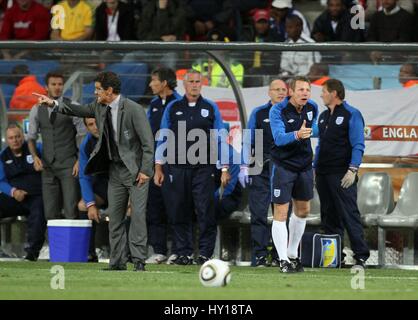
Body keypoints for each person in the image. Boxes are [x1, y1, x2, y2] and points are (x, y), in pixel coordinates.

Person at [34, 71, 155, 272]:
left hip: (135, 172)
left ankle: (139, 260)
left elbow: (148, 143)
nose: (95, 92)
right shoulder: (98, 106)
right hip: (115, 171)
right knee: (115, 218)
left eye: (98, 89)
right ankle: (117, 262)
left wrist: (145, 170)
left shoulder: (134, 109)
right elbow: (77, 109)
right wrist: (53, 104)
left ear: (109, 90)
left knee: (138, 216)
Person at [154, 69, 230, 265]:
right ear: (184, 85)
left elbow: (221, 138)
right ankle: (184, 253)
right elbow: (163, 138)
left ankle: (205, 253)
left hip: (204, 168)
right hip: (177, 167)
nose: (195, 85)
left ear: (202, 84)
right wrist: (158, 167)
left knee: (205, 210)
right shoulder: (173, 107)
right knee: (179, 210)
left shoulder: (211, 108)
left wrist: (224, 168)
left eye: (198, 81)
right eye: (191, 82)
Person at [315, 78, 370, 267]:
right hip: (323, 174)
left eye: (323, 91)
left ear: (334, 93)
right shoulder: (322, 116)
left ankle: (361, 255)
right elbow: (321, 145)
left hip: (341, 173)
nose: (321, 94)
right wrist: (315, 168)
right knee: (328, 215)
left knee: (349, 213)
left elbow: (358, 144)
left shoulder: (351, 114)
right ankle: (334, 257)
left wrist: (353, 170)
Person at [269, 76, 318, 273]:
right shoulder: (277, 110)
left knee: (304, 210)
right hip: (284, 166)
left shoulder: (313, 107)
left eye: (307, 89)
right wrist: (297, 134)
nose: (305, 93)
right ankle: (282, 260)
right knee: (280, 213)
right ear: (291, 91)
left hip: (305, 166)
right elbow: (279, 139)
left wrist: (309, 132)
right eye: (300, 90)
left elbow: (314, 129)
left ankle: (292, 254)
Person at [240, 79, 288, 267]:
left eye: (284, 89)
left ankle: (279, 256)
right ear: (269, 92)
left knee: (283, 214)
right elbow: (248, 140)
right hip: (260, 168)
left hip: (284, 170)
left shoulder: (292, 112)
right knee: (258, 214)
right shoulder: (259, 113)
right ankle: (259, 256)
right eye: (277, 90)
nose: (281, 92)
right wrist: (244, 166)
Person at [28, 72, 85, 221]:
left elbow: (83, 136)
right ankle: (54, 245)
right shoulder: (36, 109)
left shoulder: (73, 106)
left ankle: (71, 245)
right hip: (47, 166)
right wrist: (35, 157)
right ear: (46, 87)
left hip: (69, 164)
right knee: (50, 213)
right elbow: (31, 137)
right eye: (53, 84)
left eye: (60, 84)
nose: (57, 87)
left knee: (71, 210)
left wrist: (80, 160)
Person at [146, 67, 181, 265]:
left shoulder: (179, 103)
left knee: (175, 207)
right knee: (155, 206)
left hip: (175, 164)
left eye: (154, 80)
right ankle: (159, 250)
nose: (151, 84)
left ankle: (177, 250)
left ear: (164, 83)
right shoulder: (153, 104)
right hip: (155, 163)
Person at [0, 123, 46, 261]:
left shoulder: (36, 149)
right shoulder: (2, 156)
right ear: (7, 140)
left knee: (39, 213)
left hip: (36, 196)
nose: (15, 140)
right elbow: (1, 181)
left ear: (23, 136)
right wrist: (13, 192)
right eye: (11, 138)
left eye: (18, 136)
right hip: (14, 197)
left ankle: (32, 254)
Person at [78, 117, 108, 262]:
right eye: (90, 124)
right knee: (83, 205)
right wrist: (90, 204)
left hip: (122, 182)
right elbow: (84, 177)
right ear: (87, 128)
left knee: (128, 209)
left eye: (97, 122)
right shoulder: (86, 144)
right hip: (102, 184)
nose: (95, 127)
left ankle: (127, 253)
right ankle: (89, 253)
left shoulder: (115, 136)